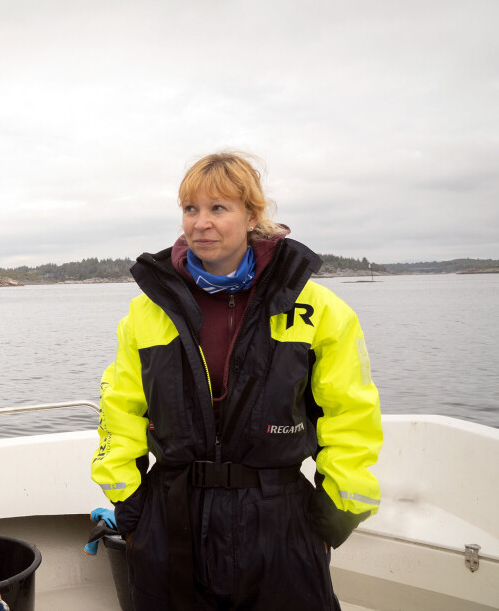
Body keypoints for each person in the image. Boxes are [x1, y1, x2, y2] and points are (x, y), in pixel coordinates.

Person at [91, 153, 382, 609]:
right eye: (191, 209)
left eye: (218, 209)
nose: (201, 223)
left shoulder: (319, 309)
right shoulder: (146, 313)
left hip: (281, 521)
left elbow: (352, 418)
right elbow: (119, 414)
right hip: (172, 520)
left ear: (252, 215)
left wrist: (330, 522)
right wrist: (132, 514)